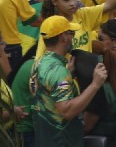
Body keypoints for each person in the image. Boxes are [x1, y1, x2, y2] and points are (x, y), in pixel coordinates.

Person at [29, 16, 109, 146]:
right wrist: (95, 84)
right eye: (70, 33)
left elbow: (49, 94)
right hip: (62, 142)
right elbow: (67, 111)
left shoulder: (38, 63)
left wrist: (68, 76)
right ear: (63, 37)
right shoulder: (58, 71)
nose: (72, 38)